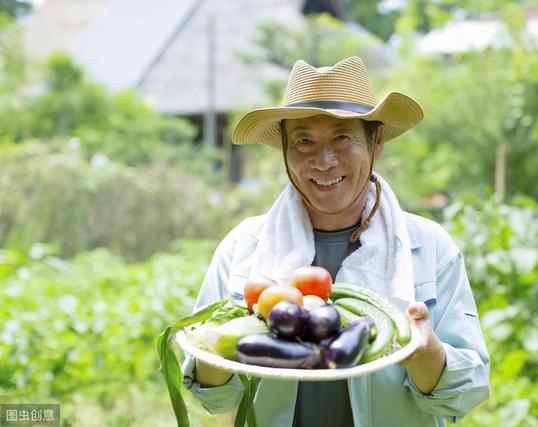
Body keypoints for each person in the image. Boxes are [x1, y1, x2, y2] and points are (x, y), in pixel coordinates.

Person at [182, 56, 490, 427]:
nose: (324, 161)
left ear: (376, 145)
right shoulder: (243, 247)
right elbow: (215, 398)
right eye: (304, 140)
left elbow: (468, 389)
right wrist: (212, 346)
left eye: (342, 138)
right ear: (284, 150)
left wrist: (423, 352)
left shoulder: (429, 246)